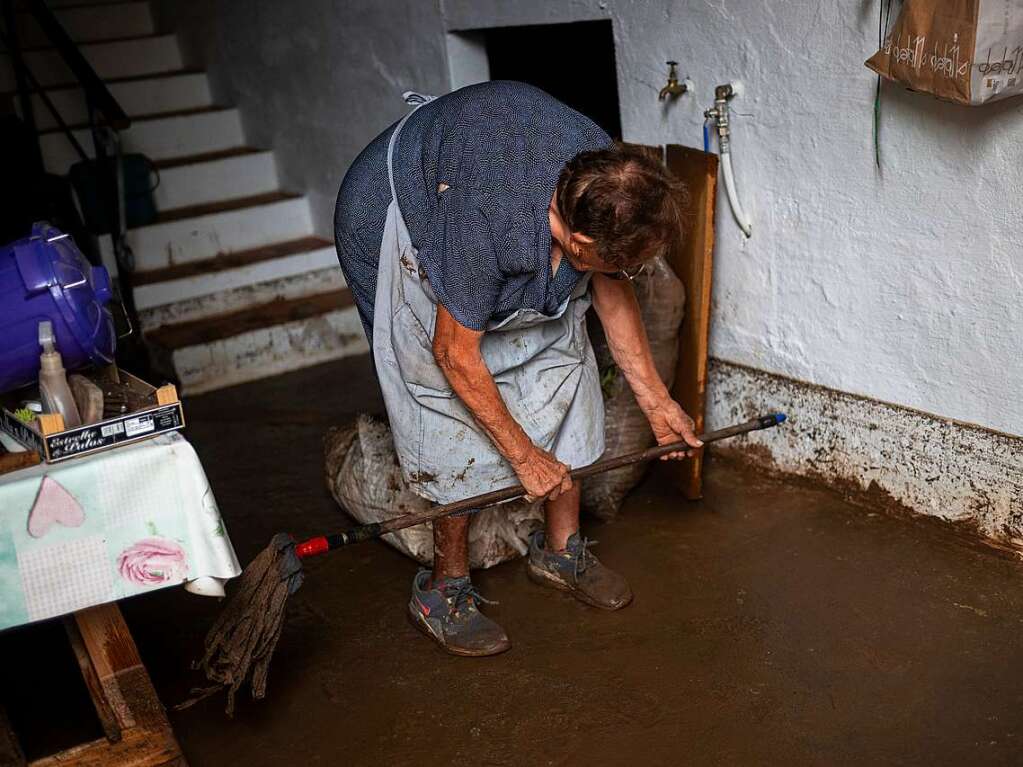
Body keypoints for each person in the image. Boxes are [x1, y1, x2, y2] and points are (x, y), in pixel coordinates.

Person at [334, 81, 701, 657]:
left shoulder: (602, 177)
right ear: (578, 242)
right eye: (621, 264)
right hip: (397, 210)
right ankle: (444, 588)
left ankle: (560, 549)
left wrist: (657, 403)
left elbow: (610, 288)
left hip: (482, 177)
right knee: (446, 405)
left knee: (564, 358)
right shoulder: (488, 224)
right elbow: (452, 354)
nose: (628, 273)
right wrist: (525, 458)